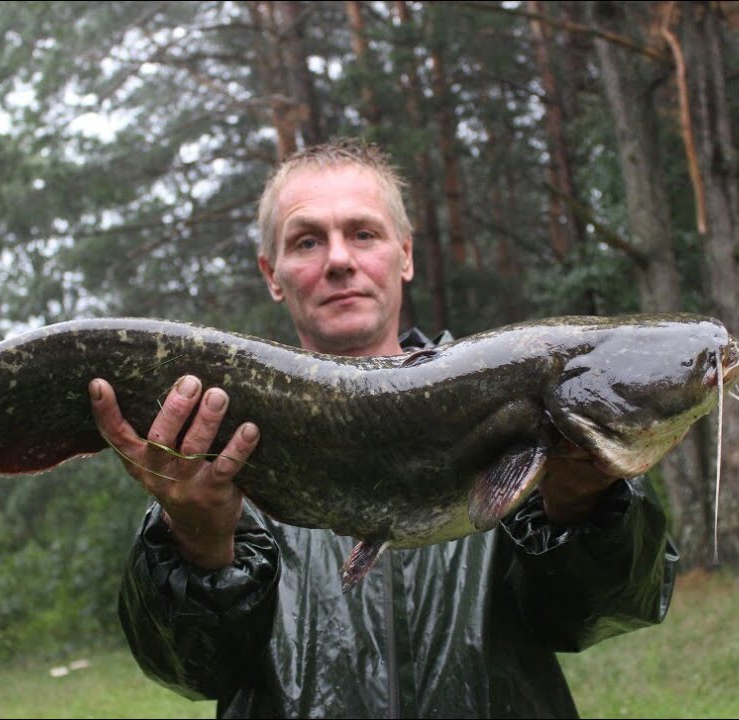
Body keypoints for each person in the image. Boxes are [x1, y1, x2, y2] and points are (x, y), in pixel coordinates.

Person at [88, 138, 678, 718]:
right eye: (307, 240)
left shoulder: (517, 404)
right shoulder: (213, 434)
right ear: (273, 273)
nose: (339, 259)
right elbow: (187, 671)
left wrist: (580, 505)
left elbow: (602, 611)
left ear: (405, 254)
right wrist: (199, 542)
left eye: (363, 233)